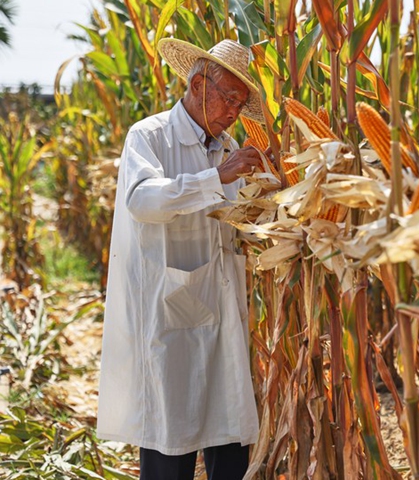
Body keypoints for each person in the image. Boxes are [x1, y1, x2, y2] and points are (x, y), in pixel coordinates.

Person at [97, 38, 266, 480]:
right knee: (170, 441)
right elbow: (143, 201)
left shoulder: (229, 148)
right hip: (171, 316)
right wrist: (216, 178)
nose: (233, 112)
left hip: (223, 312)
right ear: (196, 85)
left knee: (229, 439)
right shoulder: (149, 137)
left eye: (240, 103)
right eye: (229, 99)